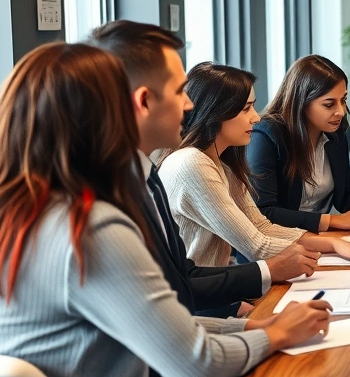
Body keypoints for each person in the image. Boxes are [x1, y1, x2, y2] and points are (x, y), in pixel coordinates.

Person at [0, 42, 333, 377]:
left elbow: (152, 325)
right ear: (126, 107)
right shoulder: (89, 230)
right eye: (178, 90)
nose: (187, 104)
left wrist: (253, 325)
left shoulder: (14, 212)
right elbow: (195, 364)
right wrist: (276, 335)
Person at [88, 20, 320, 319]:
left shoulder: (149, 173)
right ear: (143, 100)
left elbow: (182, 278)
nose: (188, 105)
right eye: (177, 91)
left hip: (212, 297)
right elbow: (169, 308)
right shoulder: (182, 165)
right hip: (203, 307)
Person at [157, 62, 350, 269]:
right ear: (216, 113)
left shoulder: (222, 163)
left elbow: (262, 226)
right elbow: (256, 245)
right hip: (199, 298)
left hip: (215, 288)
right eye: (246, 108)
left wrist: (336, 242)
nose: (256, 117)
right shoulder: (192, 163)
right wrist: (332, 244)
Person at [248, 55, 350, 234]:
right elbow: (263, 212)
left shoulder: (335, 134)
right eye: (329, 104)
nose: (340, 112)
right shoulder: (266, 136)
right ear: (301, 103)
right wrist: (333, 220)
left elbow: (346, 190)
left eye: (343, 100)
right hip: (275, 244)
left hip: (319, 238)